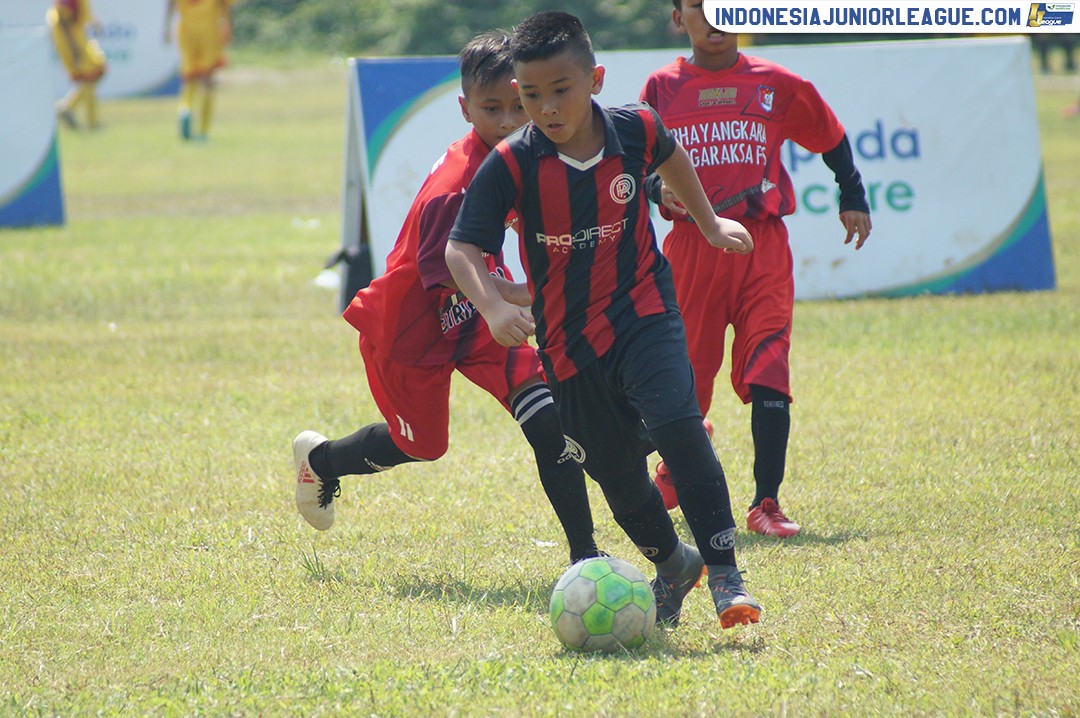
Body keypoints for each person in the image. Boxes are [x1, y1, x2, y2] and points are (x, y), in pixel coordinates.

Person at [446, 11, 761, 629]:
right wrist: (492, 305)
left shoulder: (635, 128)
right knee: (616, 477)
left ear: (595, 79)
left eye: (559, 90)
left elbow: (673, 159)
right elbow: (461, 248)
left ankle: (726, 574)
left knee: (680, 425)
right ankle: (675, 564)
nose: (545, 108)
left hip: (645, 311)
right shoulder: (513, 163)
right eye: (529, 96)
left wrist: (709, 222)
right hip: (567, 344)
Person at [292, 30, 602, 566]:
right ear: (464, 109)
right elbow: (447, 270)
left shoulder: (524, 151)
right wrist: (516, 298)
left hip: (481, 317)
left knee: (548, 422)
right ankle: (320, 460)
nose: (509, 120)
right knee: (421, 445)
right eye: (491, 108)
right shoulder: (457, 187)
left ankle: (586, 559)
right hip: (413, 328)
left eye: (518, 104)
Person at [640, 0, 873, 537]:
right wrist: (657, 190)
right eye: (699, 6)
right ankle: (676, 465)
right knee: (682, 382)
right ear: (679, 19)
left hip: (761, 248)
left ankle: (765, 503)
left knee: (770, 372)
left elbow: (830, 135)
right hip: (692, 251)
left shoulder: (778, 83)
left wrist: (852, 193)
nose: (715, 16)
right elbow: (636, 161)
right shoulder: (660, 88)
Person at [164, 0, 234, 141]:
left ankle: (185, 109)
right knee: (207, 80)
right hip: (208, 29)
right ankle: (203, 132)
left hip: (185, 30)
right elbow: (224, 5)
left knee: (189, 77)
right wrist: (228, 26)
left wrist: (166, 28)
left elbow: (170, 4)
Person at [47, 0, 107, 130]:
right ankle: (73, 111)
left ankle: (79, 114)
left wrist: (93, 20)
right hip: (70, 36)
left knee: (93, 74)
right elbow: (62, 15)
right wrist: (74, 50)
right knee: (92, 73)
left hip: (76, 33)